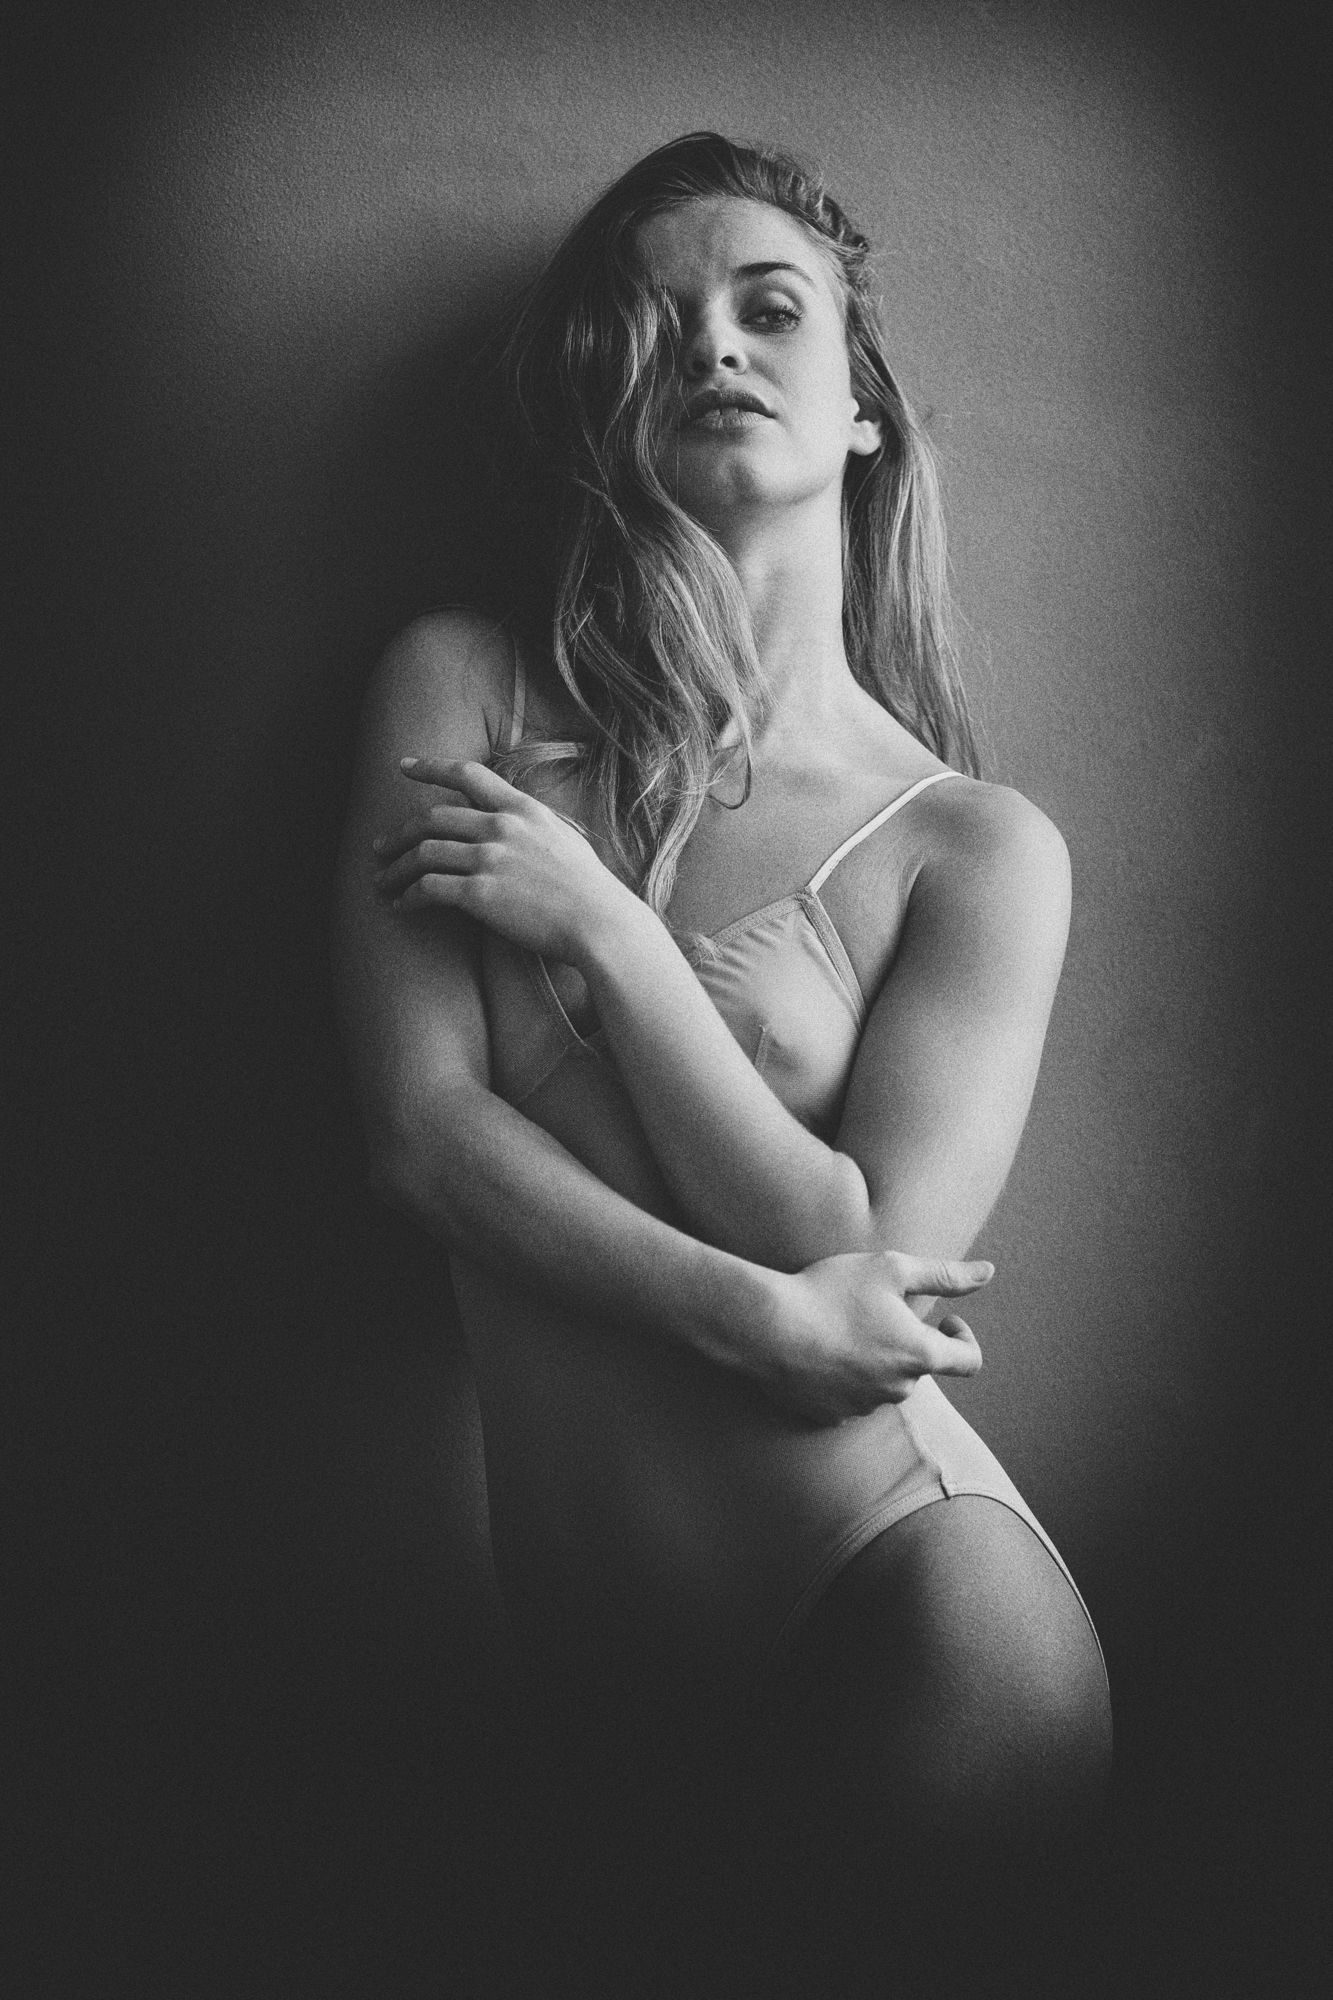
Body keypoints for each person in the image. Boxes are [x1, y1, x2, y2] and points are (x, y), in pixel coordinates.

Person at [335, 133, 1111, 1992]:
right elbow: (421, 1136)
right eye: (651, 321)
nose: (711, 345)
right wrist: (752, 1321)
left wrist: (608, 938)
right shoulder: (463, 689)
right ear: (599, 403)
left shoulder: (971, 848)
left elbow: (862, 1266)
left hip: (911, 1621)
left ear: (862, 410)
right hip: (591, 1699)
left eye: (770, 309)